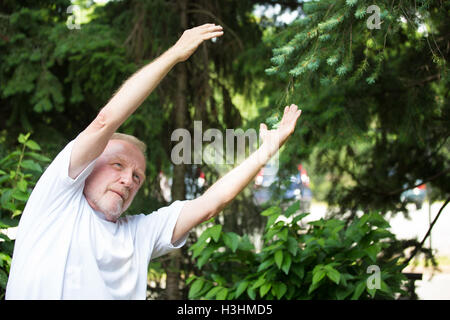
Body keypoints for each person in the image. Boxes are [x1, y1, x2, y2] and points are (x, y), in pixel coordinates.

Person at [5, 24, 301, 300]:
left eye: (137, 177)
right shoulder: (57, 200)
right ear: (89, 166)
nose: (128, 180)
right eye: (118, 165)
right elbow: (104, 121)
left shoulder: (139, 234)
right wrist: (174, 55)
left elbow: (212, 203)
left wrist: (267, 150)